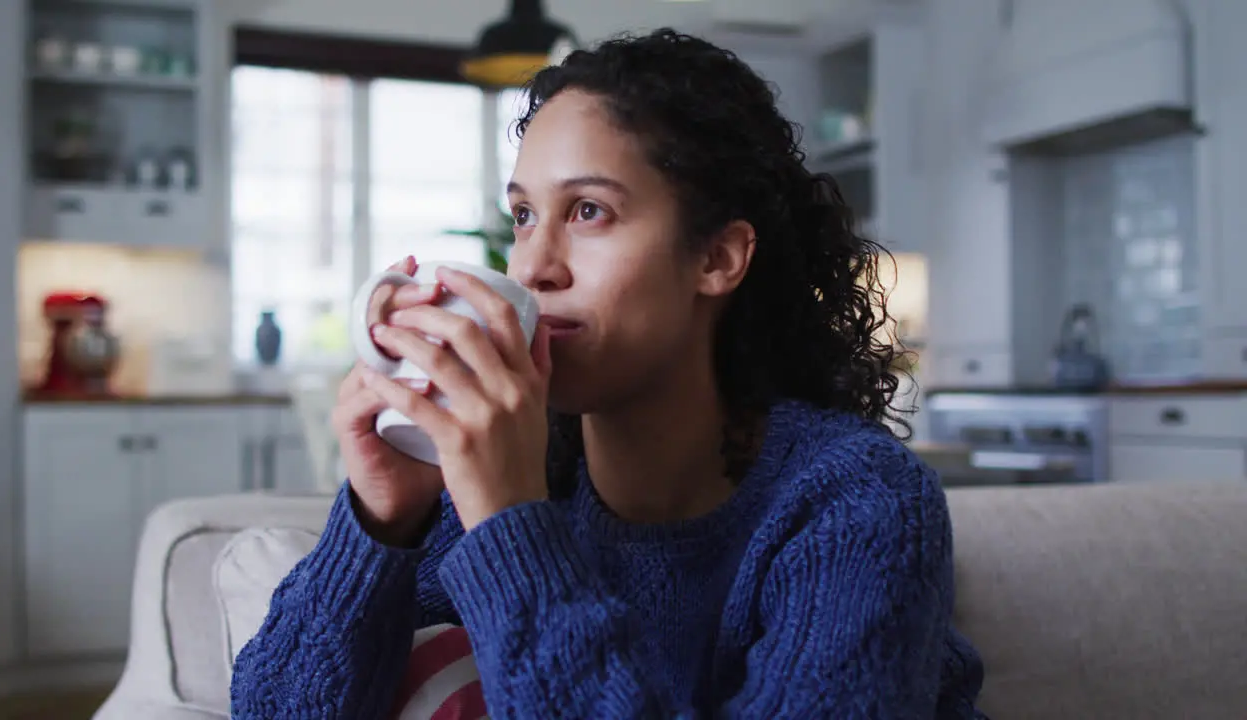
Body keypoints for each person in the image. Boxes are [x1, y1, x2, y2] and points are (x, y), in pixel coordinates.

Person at [230, 28, 987, 719]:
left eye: (589, 211)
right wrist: (378, 521)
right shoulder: (512, 475)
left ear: (717, 258)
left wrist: (508, 524)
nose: (530, 265)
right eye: (524, 216)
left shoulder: (856, 504)